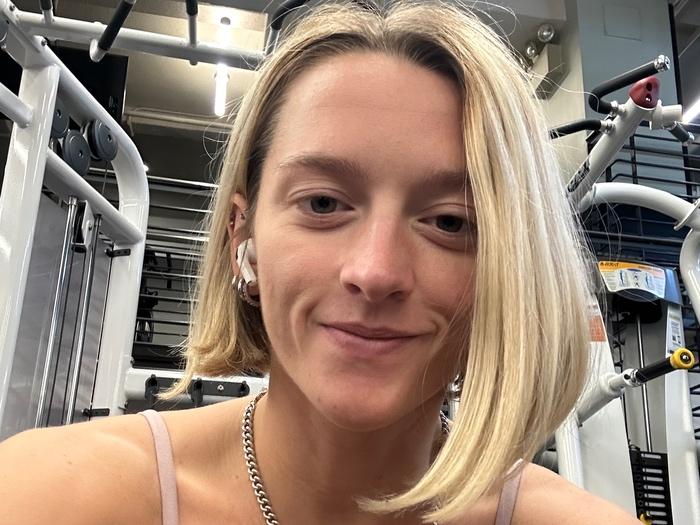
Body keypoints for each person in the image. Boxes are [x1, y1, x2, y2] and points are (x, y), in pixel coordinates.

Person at [0, 1, 641, 524]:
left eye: (450, 222)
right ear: (242, 238)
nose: (376, 272)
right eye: (324, 204)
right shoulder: (53, 497)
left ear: (510, 268)